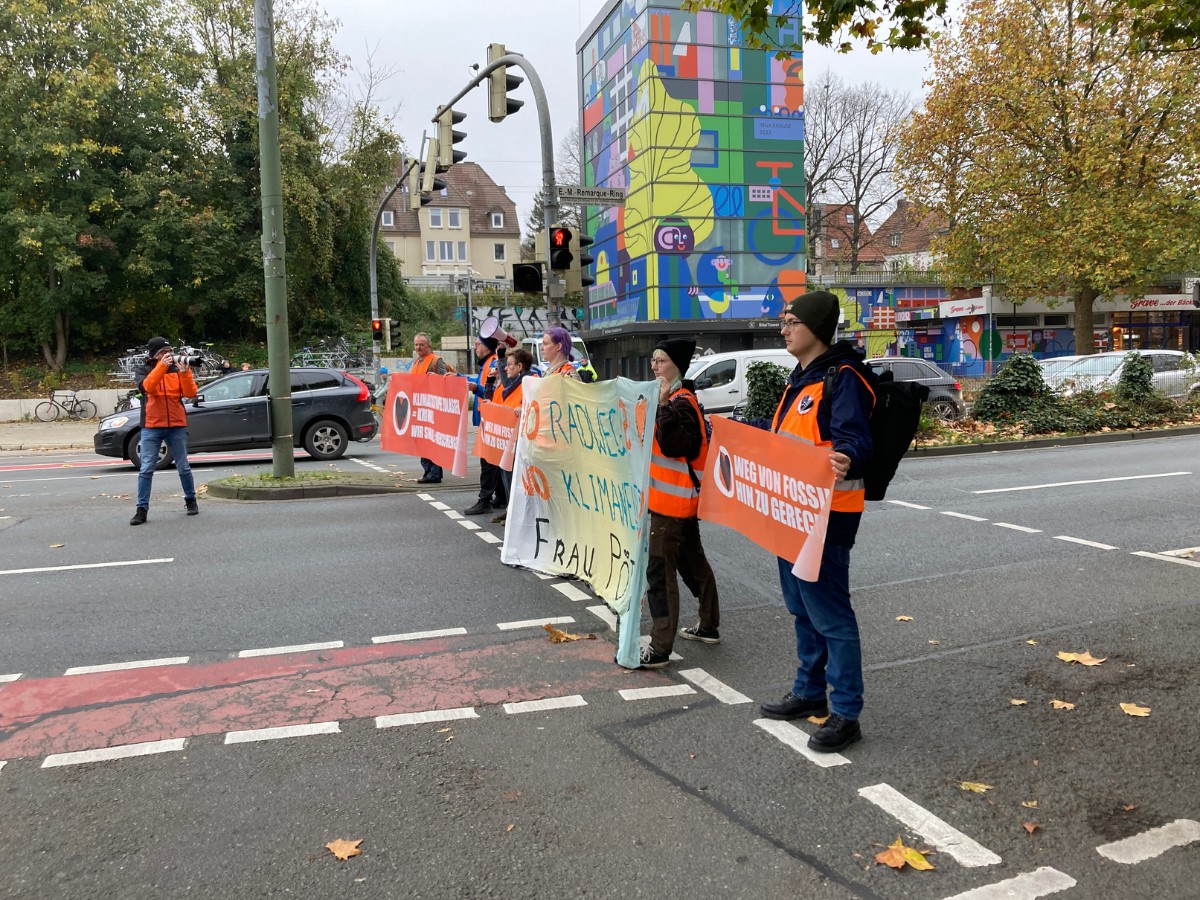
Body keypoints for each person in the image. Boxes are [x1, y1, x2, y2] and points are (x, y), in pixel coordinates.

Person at [759, 290, 875, 754]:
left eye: (791, 321)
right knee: (802, 608)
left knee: (831, 615)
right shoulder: (801, 377)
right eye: (783, 322)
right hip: (792, 514)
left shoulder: (843, 376)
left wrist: (847, 456)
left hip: (827, 518)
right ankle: (809, 690)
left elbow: (857, 441)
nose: (784, 329)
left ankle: (845, 713)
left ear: (816, 329)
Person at [639, 337, 721, 669]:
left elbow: (675, 446)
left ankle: (660, 647)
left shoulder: (681, 403)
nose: (654, 366)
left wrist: (661, 408)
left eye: (660, 360)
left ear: (676, 366)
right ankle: (708, 625)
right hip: (678, 501)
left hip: (672, 505)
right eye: (653, 360)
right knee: (692, 563)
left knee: (660, 572)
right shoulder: (676, 399)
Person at [130, 336, 200, 526]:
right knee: (146, 469)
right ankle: (141, 509)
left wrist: (185, 373)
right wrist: (161, 366)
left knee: (183, 466)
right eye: (162, 352)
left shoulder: (177, 368)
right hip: (152, 425)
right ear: (154, 354)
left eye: (169, 351)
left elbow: (190, 393)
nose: (167, 355)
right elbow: (148, 387)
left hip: (177, 424)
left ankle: (191, 500)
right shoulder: (144, 369)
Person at [463, 335, 508, 515]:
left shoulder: (494, 362)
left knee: (488, 461)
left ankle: (485, 500)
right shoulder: (487, 363)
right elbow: (483, 385)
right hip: (491, 416)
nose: (475, 347)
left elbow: (495, 390)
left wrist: (477, 389)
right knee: (494, 461)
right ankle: (501, 497)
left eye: (478, 344)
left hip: (493, 417)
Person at [491, 347, 535, 525]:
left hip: (521, 438)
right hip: (509, 436)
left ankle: (516, 513)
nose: (506, 368)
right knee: (505, 472)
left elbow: (534, 405)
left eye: (510, 365)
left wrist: (523, 409)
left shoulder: (530, 382)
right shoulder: (513, 383)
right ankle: (511, 509)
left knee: (514, 476)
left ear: (520, 367)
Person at [411, 332, 447, 484]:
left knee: (432, 442)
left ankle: (434, 473)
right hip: (420, 409)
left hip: (432, 410)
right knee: (423, 442)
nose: (418, 347)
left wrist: (436, 380)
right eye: (416, 345)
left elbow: (446, 382)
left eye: (421, 344)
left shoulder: (436, 361)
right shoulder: (416, 363)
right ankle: (427, 471)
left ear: (429, 346)